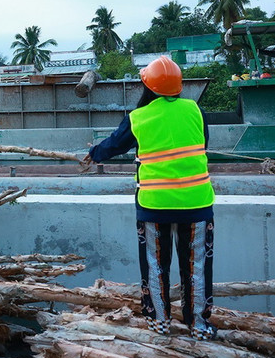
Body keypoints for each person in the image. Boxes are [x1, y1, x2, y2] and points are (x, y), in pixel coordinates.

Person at [80, 56, 217, 341]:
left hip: (155, 207)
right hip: (197, 204)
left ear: (147, 86)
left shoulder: (138, 118)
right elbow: (203, 142)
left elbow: (114, 145)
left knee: (156, 267)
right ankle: (199, 326)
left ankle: (159, 322)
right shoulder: (195, 111)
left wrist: (93, 153)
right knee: (198, 267)